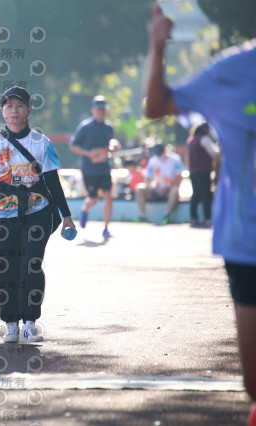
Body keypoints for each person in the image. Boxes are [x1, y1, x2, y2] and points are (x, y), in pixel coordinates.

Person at [145, 4, 256, 419]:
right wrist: (158, 48)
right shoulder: (235, 70)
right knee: (255, 385)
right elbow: (157, 106)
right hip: (248, 242)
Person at [0, 86, 75, 343]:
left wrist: (66, 216)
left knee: (32, 263)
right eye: (8, 106)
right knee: (4, 267)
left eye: (19, 106)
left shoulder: (42, 143)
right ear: (2, 111)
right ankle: (11, 324)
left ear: (29, 111)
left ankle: (30, 323)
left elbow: (53, 182)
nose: (13, 111)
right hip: (1, 214)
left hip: (37, 212)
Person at [69, 95, 114, 238]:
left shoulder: (109, 128)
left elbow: (110, 143)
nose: (101, 112)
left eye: (103, 109)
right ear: (92, 110)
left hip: (104, 169)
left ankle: (106, 228)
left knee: (108, 196)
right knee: (93, 199)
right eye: (98, 109)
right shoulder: (85, 127)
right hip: (89, 170)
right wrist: (89, 154)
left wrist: (113, 146)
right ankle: (85, 209)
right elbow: (73, 146)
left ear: (106, 110)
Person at [134, 143, 184, 224]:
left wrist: (168, 188)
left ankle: (166, 216)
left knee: (175, 190)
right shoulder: (153, 161)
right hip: (156, 190)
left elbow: (179, 177)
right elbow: (147, 178)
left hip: (169, 190)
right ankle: (143, 216)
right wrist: (152, 187)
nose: (159, 156)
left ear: (165, 151)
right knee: (139, 188)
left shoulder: (175, 159)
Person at [187, 122, 219, 227]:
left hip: (193, 171)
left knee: (196, 194)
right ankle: (207, 218)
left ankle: (193, 217)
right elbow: (213, 152)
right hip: (203, 170)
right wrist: (219, 149)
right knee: (206, 194)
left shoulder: (191, 139)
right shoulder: (204, 139)